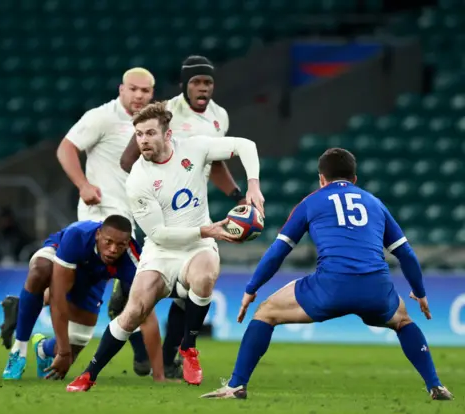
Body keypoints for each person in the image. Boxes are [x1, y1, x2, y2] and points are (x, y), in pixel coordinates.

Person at [200, 148, 453, 401]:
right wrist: (419, 293)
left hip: (330, 286)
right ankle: (436, 386)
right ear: (354, 179)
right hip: (375, 287)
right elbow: (406, 254)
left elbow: (278, 251)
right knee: (403, 321)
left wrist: (251, 288)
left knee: (266, 313)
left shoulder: (311, 201)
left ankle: (236, 386)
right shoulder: (375, 203)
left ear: (321, 178)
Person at [66, 101, 264, 392]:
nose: (143, 140)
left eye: (149, 133)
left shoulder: (195, 148)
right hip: (161, 251)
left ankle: (189, 348)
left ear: (167, 135)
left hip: (198, 247)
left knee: (204, 276)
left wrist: (253, 185)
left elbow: (246, 145)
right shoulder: (138, 180)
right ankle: (89, 373)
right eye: (139, 135)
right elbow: (159, 233)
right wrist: (206, 229)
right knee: (132, 312)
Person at [115, 55, 246, 378]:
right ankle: (144, 344)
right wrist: (155, 186)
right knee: (139, 300)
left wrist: (237, 196)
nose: (203, 88)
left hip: (191, 211)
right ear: (184, 86)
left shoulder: (219, 118)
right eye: (196, 82)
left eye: (208, 82)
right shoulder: (166, 113)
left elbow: (215, 164)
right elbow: (127, 159)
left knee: (190, 295)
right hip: (159, 211)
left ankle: (169, 357)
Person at [55, 67, 159, 376]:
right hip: (98, 219)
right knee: (135, 288)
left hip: (130, 221)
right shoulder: (101, 117)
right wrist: (82, 185)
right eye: (133, 89)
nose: (139, 95)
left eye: (145, 91)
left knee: (89, 310)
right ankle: (148, 361)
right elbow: (66, 147)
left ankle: (32, 305)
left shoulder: (150, 125)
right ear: (121, 89)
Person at [1, 215, 164, 381]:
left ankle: (42, 347)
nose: (114, 249)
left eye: (120, 245)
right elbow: (58, 296)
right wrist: (63, 352)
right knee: (40, 270)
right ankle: (18, 350)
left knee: (71, 353)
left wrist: (159, 375)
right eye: (109, 242)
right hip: (63, 253)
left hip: (95, 277)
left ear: (128, 242)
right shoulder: (77, 236)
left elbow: (147, 313)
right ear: (98, 235)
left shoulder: (134, 262)